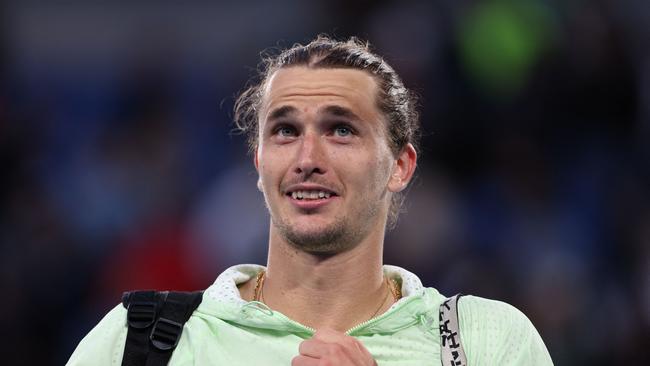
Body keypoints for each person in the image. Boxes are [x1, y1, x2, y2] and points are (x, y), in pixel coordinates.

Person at [68, 36, 553, 365]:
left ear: (400, 166)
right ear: (259, 164)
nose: (307, 158)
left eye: (341, 130)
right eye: (285, 131)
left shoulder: (483, 342)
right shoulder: (142, 340)